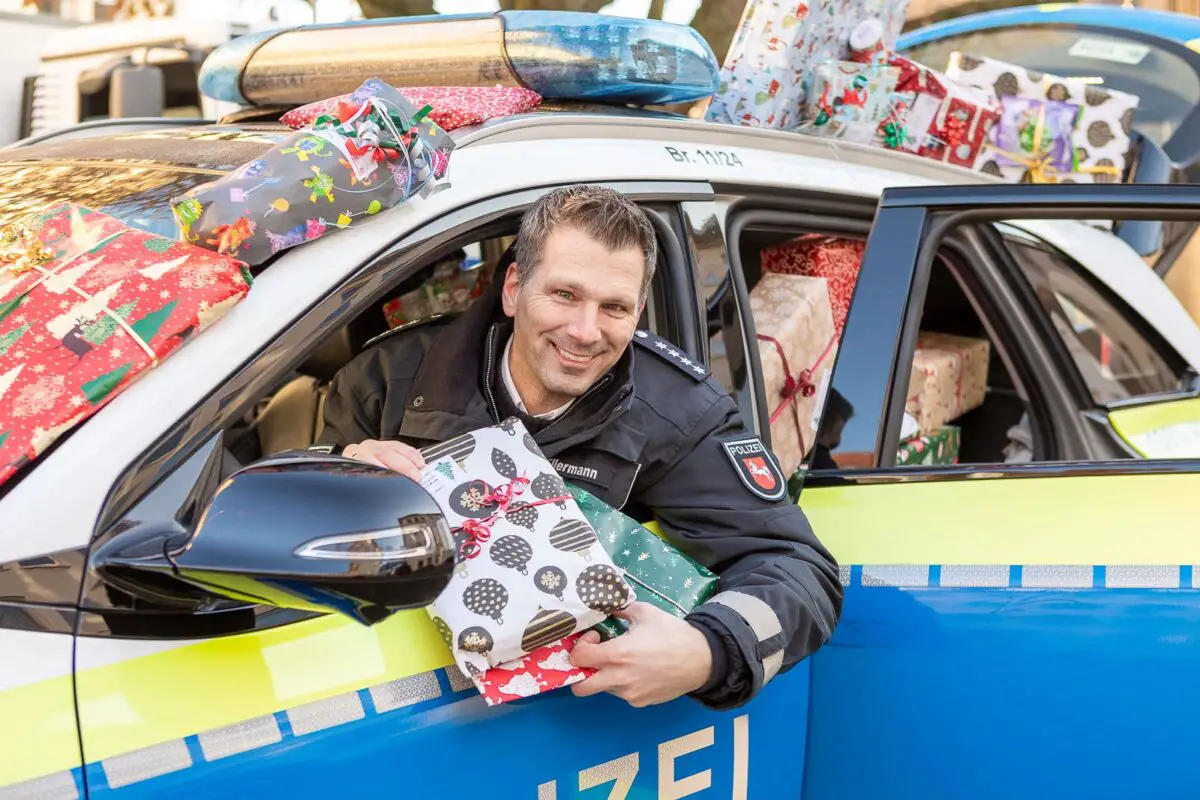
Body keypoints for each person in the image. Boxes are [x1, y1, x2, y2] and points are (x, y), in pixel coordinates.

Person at [312, 184, 843, 710]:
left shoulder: (680, 413)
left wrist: (706, 651)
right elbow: (289, 530)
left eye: (614, 307)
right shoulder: (384, 381)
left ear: (638, 311)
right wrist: (336, 478)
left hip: (586, 720)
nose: (586, 331)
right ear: (513, 288)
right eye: (564, 295)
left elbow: (800, 571)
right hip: (395, 705)